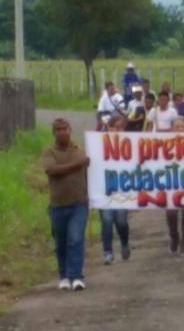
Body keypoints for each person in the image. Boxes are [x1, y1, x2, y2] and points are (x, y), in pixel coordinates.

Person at [42, 118, 90, 291]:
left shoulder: (80, 151)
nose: (62, 132)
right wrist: (78, 164)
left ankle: (76, 276)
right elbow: (52, 171)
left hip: (79, 204)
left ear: (70, 130)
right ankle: (63, 276)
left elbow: (88, 174)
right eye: (58, 130)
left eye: (65, 129)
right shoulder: (49, 152)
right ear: (54, 133)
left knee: (76, 239)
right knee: (60, 242)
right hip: (58, 205)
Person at [99, 116, 131, 265]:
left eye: (120, 127)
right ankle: (107, 251)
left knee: (121, 221)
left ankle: (124, 242)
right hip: (103, 189)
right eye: (114, 127)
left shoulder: (129, 144)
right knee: (106, 220)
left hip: (122, 189)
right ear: (108, 127)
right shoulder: (98, 143)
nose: (117, 130)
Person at [166, 116, 184, 256]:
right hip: (171, 183)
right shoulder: (163, 145)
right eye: (176, 127)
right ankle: (174, 236)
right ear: (171, 129)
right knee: (171, 214)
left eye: (182, 127)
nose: (179, 129)